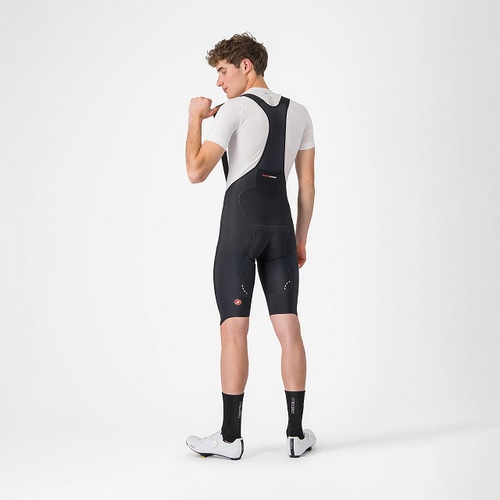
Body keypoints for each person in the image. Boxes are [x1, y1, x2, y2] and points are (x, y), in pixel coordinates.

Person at [184, 33, 316, 460]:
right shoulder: (300, 112)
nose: (218, 82)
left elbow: (196, 171)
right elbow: (307, 185)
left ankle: (229, 439)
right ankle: (296, 435)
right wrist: (300, 238)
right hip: (282, 230)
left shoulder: (235, 109)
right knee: (289, 329)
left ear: (246, 66)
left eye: (223, 71)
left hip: (240, 230)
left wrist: (194, 118)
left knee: (233, 331)